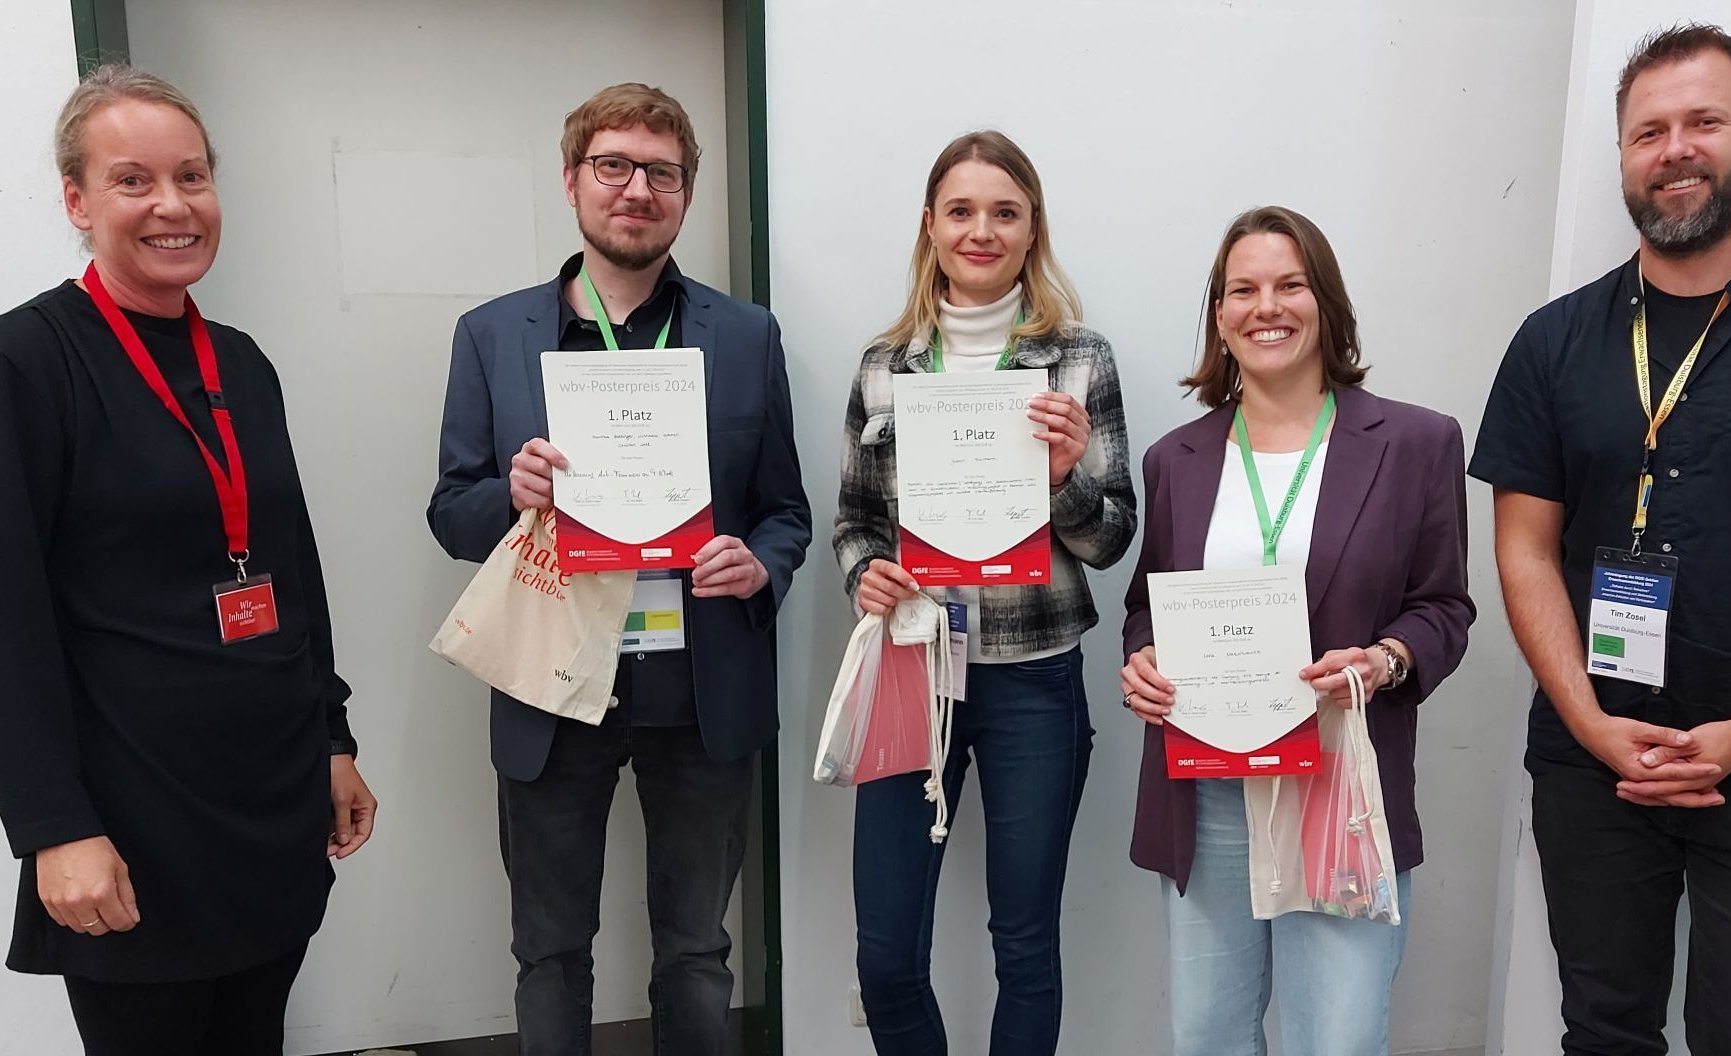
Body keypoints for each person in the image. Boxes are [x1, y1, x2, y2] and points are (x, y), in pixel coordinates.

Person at [1470, 23, 1731, 1055]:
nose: (1677, 149)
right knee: (1604, 1033)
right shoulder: (1552, 341)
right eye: (1649, 131)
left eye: (1705, 121)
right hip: (1592, 767)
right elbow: (1522, 553)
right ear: (1622, 156)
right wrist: (1593, 722)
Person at [427, 82, 810, 1055]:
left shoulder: (746, 336)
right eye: (614, 166)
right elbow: (451, 512)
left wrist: (757, 566)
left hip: (701, 685)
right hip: (553, 692)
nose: (637, 189)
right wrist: (511, 493)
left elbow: (786, 515)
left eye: (663, 172)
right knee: (550, 952)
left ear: (686, 193)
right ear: (573, 182)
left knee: (696, 952)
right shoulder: (491, 335)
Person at [0, 65, 376, 1056]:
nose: (174, 205)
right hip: (128, 820)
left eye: (193, 176)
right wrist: (49, 826)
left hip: (266, 803)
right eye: (133, 180)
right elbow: (11, 616)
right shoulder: (28, 362)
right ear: (77, 202)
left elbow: (290, 570)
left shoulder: (241, 363)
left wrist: (331, 736)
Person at [1119, 206, 1474, 1056]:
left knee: (1338, 1040)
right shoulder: (1177, 458)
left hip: (1339, 787)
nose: (1265, 306)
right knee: (1207, 1036)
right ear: (1219, 314)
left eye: (1289, 284)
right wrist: (1142, 660)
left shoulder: (1417, 443)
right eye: (1242, 289)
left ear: (1327, 303)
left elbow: (1445, 609)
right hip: (1207, 787)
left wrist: (1386, 661)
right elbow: (1147, 602)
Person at [832, 130, 1135, 1055]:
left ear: (1031, 227)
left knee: (1025, 945)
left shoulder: (1080, 359)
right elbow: (851, 519)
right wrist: (862, 576)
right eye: (961, 211)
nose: (981, 230)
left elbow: (1114, 536)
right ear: (931, 226)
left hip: (1034, 681)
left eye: (1004, 212)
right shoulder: (887, 364)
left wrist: (1063, 478)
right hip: (911, 671)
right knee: (885, 954)